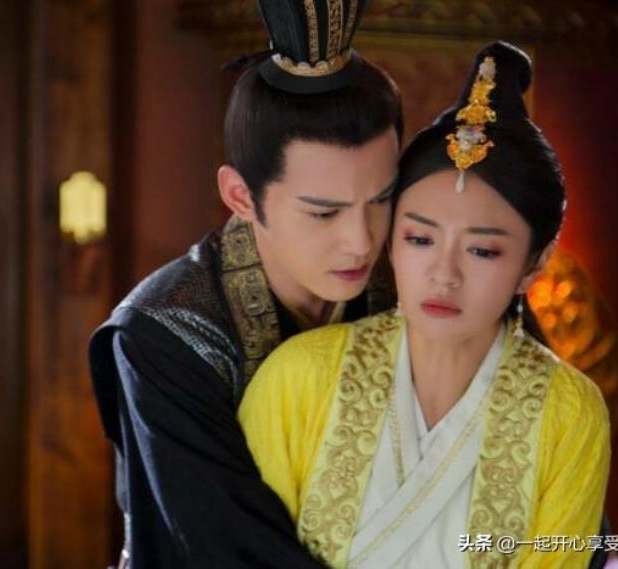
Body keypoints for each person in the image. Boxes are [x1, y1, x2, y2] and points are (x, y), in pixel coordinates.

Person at [238, 41, 611, 568]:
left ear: (535, 264)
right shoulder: (297, 378)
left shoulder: (569, 413)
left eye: (482, 250)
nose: (444, 274)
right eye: (419, 239)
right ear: (391, 240)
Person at [88, 1, 403, 566]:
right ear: (240, 196)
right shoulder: (164, 333)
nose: (361, 241)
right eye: (323, 212)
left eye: (381, 199)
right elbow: (230, 549)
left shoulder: (418, 280)